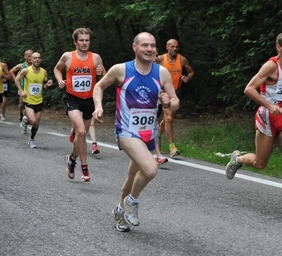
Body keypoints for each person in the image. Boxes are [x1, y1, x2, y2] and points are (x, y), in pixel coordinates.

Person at [92, 32, 179, 232]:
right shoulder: (121, 70)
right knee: (150, 169)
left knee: (132, 177)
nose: (149, 49)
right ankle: (133, 202)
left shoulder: (161, 72)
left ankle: (119, 211)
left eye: (153, 46)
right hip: (126, 131)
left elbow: (175, 102)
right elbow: (99, 86)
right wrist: (98, 106)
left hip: (148, 134)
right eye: (145, 45)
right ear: (135, 47)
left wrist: (169, 103)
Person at [225, 31, 282, 219]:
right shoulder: (270, 66)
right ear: (278, 47)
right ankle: (237, 159)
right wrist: (269, 105)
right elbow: (249, 89)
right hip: (267, 115)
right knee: (260, 163)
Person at [54, 28, 106, 182]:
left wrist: (101, 72)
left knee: (79, 135)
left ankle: (71, 160)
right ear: (75, 41)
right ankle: (85, 168)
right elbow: (57, 69)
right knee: (82, 132)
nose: (84, 43)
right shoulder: (67, 56)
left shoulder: (96, 58)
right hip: (72, 98)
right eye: (81, 40)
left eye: (87, 40)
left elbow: (105, 78)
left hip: (88, 100)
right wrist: (59, 80)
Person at [156, 39, 194, 158]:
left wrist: (187, 78)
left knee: (168, 118)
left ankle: (157, 136)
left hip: (175, 92)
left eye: (176, 47)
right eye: (172, 46)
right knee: (169, 118)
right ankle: (172, 147)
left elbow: (191, 71)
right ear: (167, 47)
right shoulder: (160, 59)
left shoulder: (182, 59)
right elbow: (149, 70)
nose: (174, 49)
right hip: (162, 92)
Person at [14, 52, 53, 148]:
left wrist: (48, 85)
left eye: (39, 58)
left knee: (36, 123)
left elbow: (44, 85)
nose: (37, 60)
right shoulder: (26, 71)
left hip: (39, 100)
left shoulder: (44, 72)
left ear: (41, 60)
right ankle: (25, 120)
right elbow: (16, 79)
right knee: (33, 120)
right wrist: (21, 91)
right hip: (29, 100)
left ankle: (31, 140)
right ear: (31, 60)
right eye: (35, 58)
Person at [10, 49, 33, 121]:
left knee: (29, 103)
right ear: (25, 57)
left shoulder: (34, 65)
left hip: (30, 87)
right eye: (29, 56)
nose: (30, 58)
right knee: (21, 103)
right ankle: (21, 113)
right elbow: (11, 71)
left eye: (32, 56)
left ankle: (26, 117)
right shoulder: (21, 66)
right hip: (22, 86)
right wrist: (15, 79)